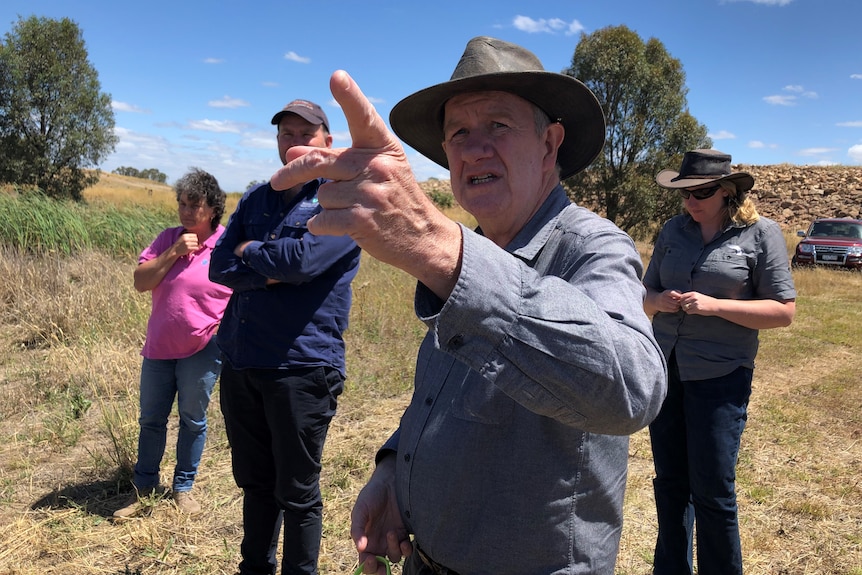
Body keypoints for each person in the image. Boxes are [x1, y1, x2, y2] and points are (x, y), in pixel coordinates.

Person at [269, 36, 668, 575]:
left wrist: (442, 249)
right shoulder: (469, 254)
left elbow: (633, 388)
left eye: (498, 125)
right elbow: (443, 397)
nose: (474, 148)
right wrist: (393, 471)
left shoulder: (591, 247)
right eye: (458, 132)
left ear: (550, 144)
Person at [209, 99, 361, 575]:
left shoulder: (344, 199)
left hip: (300, 366)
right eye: (284, 134)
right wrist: (270, 264)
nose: (293, 142)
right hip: (242, 359)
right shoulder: (256, 197)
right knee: (255, 484)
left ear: (327, 143)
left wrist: (251, 249)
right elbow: (219, 266)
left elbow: (302, 264)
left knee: (296, 493)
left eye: (304, 133)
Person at [642, 149, 796, 575]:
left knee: (712, 491)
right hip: (668, 369)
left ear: (728, 192)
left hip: (721, 375)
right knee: (670, 485)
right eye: (686, 192)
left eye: (703, 191)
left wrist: (714, 306)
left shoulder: (762, 234)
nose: (692, 201)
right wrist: (658, 300)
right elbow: (644, 295)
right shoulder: (673, 231)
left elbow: (783, 312)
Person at [113, 167, 231, 520]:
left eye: (193, 205)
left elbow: (243, 293)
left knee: (192, 420)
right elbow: (140, 281)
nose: (184, 211)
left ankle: (183, 488)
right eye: (181, 203)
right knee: (151, 419)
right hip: (159, 349)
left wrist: (221, 334)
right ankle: (143, 488)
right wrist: (174, 252)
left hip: (203, 351)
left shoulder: (225, 245)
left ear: (212, 209)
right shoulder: (168, 239)